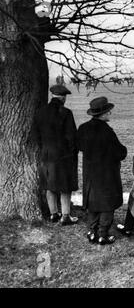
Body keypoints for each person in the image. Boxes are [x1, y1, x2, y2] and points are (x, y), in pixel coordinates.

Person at [77, 97, 127, 245]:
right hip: (107, 174)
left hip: (90, 174)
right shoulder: (107, 132)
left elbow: (79, 146)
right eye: (108, 112)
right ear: (103, 114)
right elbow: (120, 153)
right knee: (107, 204)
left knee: (92, 202)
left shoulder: (83, 128)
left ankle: (91, 232)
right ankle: (102, 235)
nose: (110, 114)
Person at [32, 84, 78, 225]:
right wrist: (73, 151)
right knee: (65, 186)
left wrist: (44, 148)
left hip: (46, 155)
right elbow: (72, 137)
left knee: (49, 185)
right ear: (63, 98)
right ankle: (65, 216)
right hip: (64, 156)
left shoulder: (40, 112)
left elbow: (35, 135)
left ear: (52, 96)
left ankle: (53, 214)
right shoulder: (66, 113)